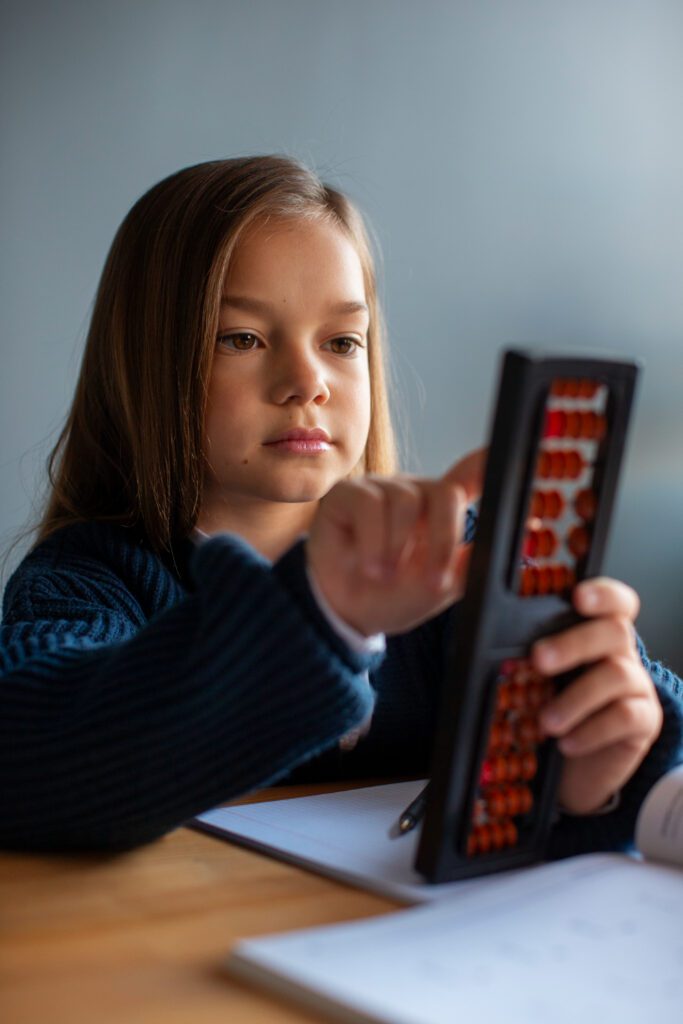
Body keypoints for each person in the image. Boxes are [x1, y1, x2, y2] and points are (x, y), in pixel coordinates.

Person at [1, 156, 681, 853]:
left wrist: (598, 774)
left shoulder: (455, 558)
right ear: (145, 362)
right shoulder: (85, 582)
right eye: (242, 338)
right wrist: (322, 616)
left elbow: (645, 734)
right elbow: (26, 758)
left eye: (341, 342)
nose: (307, 382)